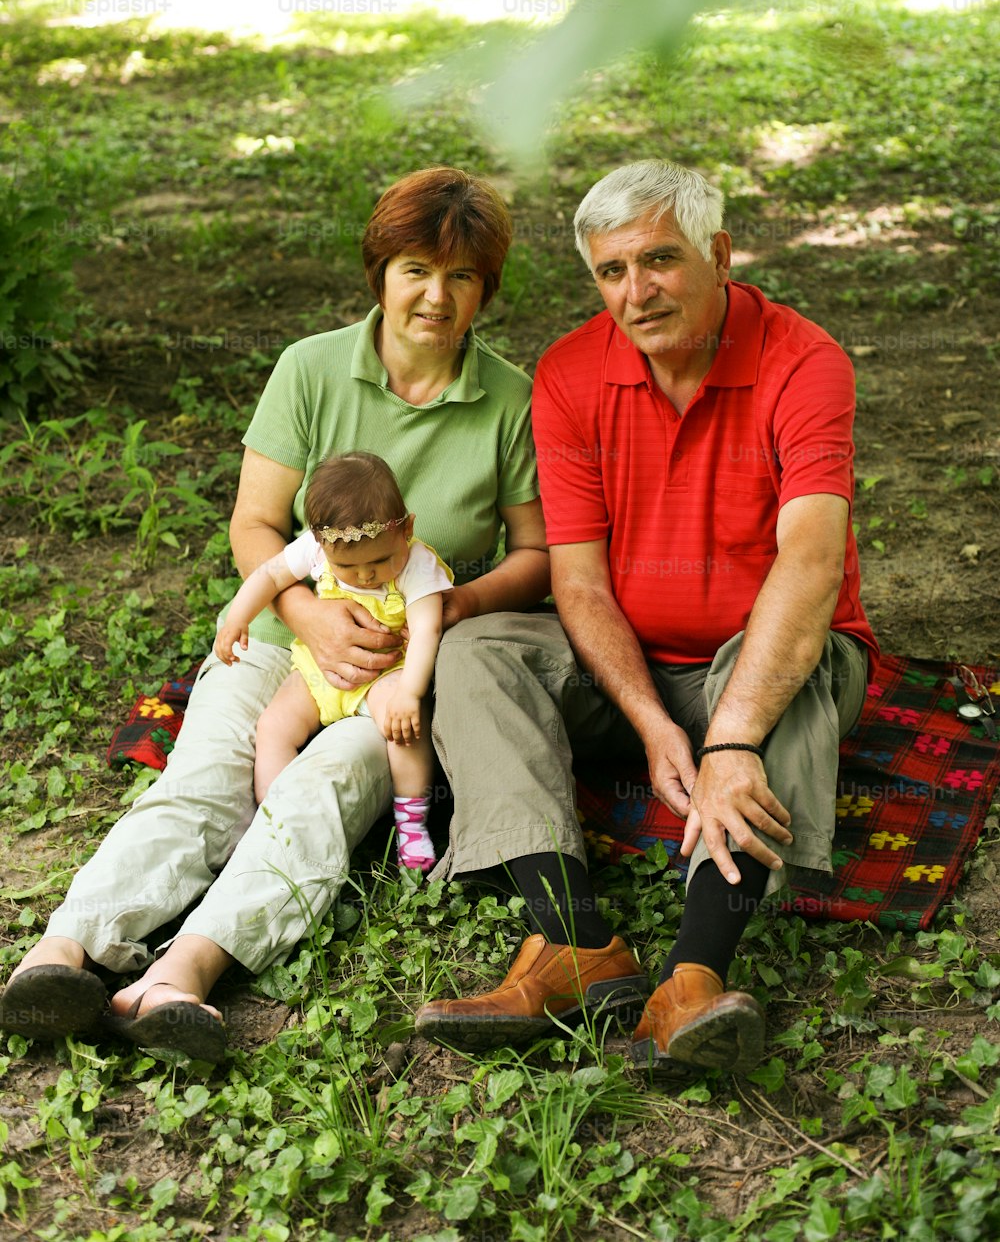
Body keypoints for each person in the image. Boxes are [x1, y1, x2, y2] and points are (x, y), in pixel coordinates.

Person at [0, 167, 552, 1062]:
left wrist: (440, 612)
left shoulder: (510, 400)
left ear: (486, 289)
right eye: (416, 268)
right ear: (380, 271)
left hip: (395, 679)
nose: (436, 295)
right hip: (278, 646)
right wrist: (307, 616)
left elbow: (538, 557)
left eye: (462, 277)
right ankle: (62, 955)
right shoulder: (310, 367)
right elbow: (255, 524)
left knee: (321, 789)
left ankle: (183, 977)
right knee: (205, 777)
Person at [415, 159, 876, 1075]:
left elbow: (813, 562)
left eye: (659, 260)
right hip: (631, 662)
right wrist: (653, 723)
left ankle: (691, 982)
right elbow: (578, 582)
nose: (637, 291)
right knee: (475, 650)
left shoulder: (804, 361)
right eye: (612, 271)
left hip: (763, 662)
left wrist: (730, 738)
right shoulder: (571, 372)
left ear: (720, 253)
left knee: (797, 666)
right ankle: (574, 946)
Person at [214, 451, 454, 871]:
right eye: (347, 566)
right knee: (273, 726)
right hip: (321, 669)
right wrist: (238, 614)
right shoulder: (317, 547)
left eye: (380, 561)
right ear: (321, 544)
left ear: (407, 529)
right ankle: (274, 817)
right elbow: (270, 575)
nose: (364, 576)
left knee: (404, 731)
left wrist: (410, 692)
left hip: (387, 672)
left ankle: (412, 824)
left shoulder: (417, 564)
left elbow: (427, 629)